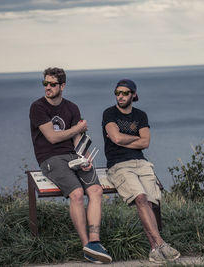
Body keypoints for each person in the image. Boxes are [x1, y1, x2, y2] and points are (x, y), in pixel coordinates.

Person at [29, 67, 112, 264]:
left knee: (96, 191)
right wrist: (78, 127)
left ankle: (94, 241)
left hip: (74, 156)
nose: (47, 87)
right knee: (76, 194)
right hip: (51, 158)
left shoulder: (72, 108)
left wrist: (86, 158)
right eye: (45, 84)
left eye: (52, 84)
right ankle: (87, 247)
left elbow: (78, 138)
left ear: (62, 86)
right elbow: (52, 137)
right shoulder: (38, 107)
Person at [102, 79, 180, 263]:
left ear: (134, 95)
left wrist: (123, 138)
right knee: (140, 198)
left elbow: (145, 142)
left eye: (125, 93)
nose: (120, 96)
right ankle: (161, 244)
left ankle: (154, 250)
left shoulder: (141, 115)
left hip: (142, 163)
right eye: (117, 93)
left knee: (150, 203)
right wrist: (133, 137)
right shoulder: (109, 113)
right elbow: (115, 138)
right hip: (119, 164)